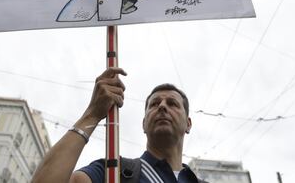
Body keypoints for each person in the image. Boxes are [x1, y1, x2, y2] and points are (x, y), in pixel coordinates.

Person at [32, 67, 207, 183]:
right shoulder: (112, 171)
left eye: (172, 103)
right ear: (144, 124)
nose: (162, 106)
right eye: (154, 104)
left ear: (188, 124)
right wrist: (92, 114)